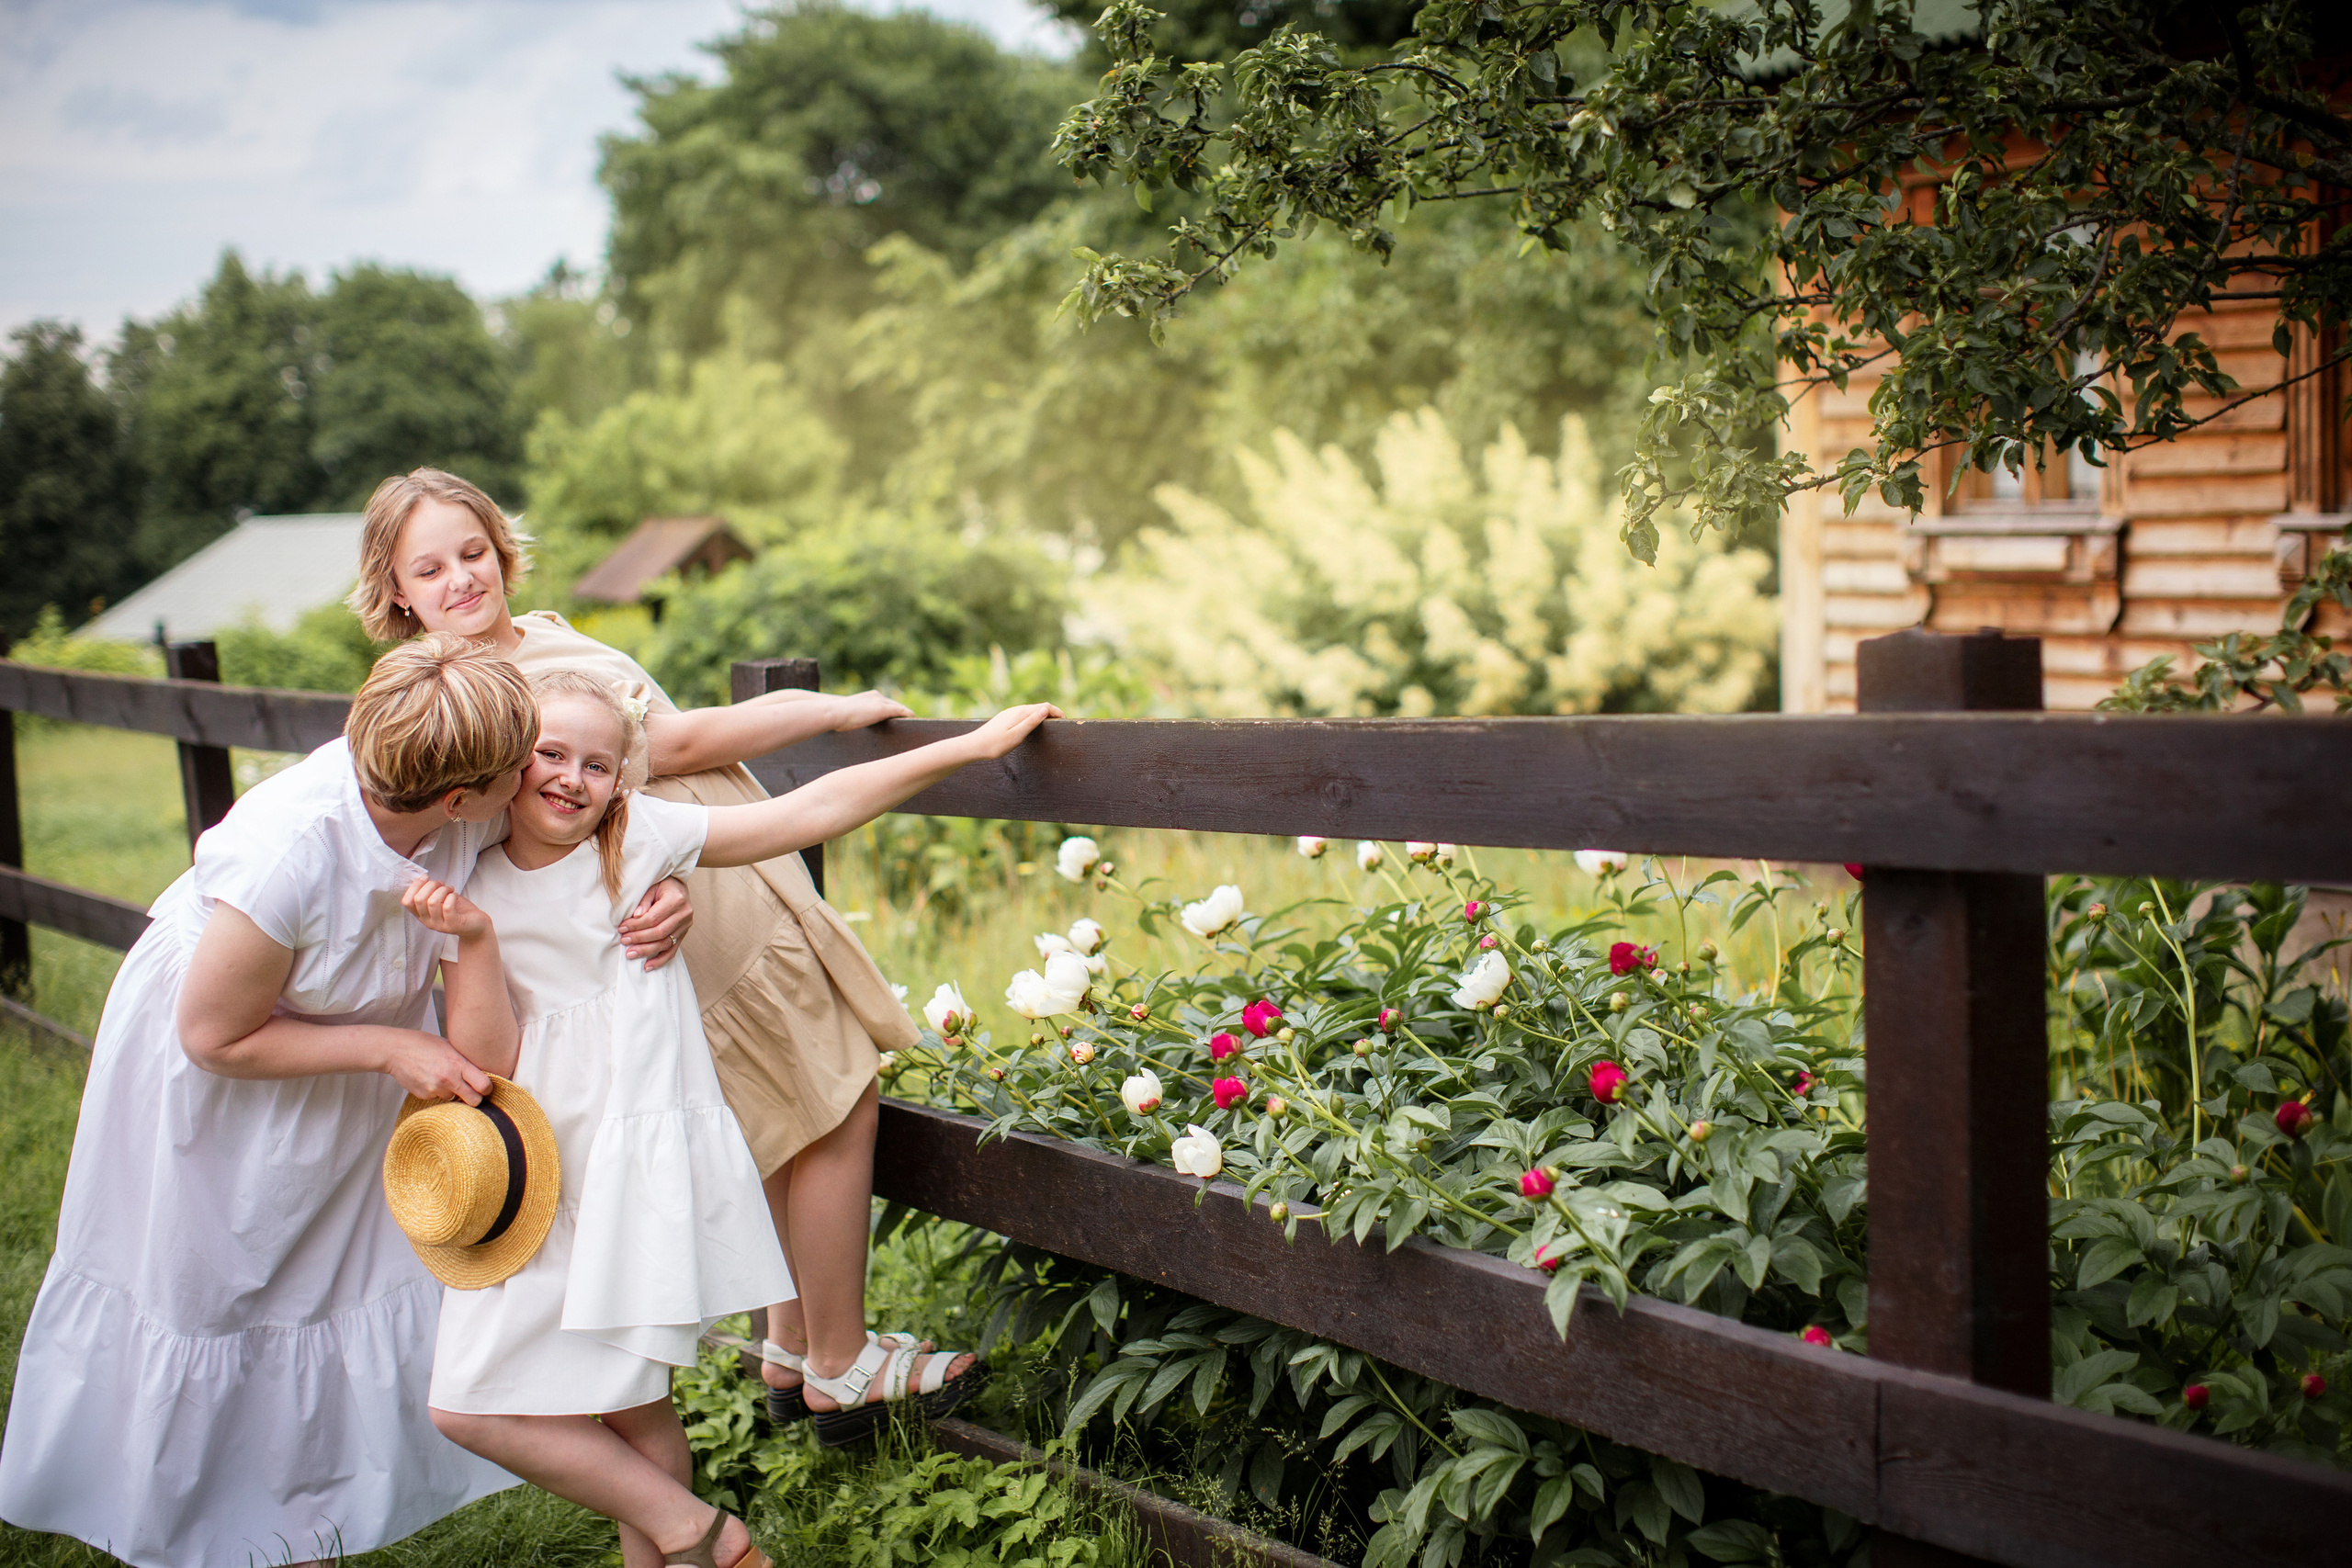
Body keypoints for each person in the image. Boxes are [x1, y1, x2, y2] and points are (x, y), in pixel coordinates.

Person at [0, 636, 690, 1568]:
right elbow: (213, 1037)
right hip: (227, 1070)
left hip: (342, 1060)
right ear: (460, 800)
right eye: (517, 768)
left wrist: (666, 883)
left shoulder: (450, 794)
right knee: (225, 1284)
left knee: (322, 1282)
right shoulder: (288, 856)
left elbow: (580, 823)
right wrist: (388, 1044)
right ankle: (199, 1525)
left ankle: (301, 1530)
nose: (533, 775)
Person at [349, 468, 981, 1442]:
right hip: (688, 909)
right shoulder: (473, 695)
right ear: (394, 587)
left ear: (500, 545)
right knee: (828, 1099)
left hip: (691, 886)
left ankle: (791, 1339)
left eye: (472, 552)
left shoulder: (537, 640)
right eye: (430, 568)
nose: (463, 579)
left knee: (786, 1112)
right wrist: (828, 713)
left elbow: (647, 758)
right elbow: (669, 748)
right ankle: (838, 1358)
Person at [404, 671, 1058, 1566]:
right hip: (542, 1174)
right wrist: (472, 942)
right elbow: (492, 1062)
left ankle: (684, 1541)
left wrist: (966, 747)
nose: (572, 778)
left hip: (632, 1165)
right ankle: (702, 1534)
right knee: (472, 1403)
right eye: (550, 755)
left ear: (620, 781)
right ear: (512, 762)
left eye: (598, 764)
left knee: (633, 1402)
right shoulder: (472, 873)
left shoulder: (636, 837)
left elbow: (806, 812)